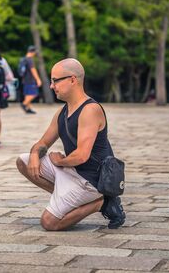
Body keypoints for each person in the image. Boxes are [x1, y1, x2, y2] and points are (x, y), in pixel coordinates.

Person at [16, 58, 125, 231]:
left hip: (90, 180)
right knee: (24, 161)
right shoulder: (62, 112)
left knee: (49, 223)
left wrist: (59, 162)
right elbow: (42, 143)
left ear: (72, 80)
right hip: (71, 169)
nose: (52, 86)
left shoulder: (90, 110)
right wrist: (36, 155)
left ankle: (101, 203)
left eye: (55, 81)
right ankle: (65, 198)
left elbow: (82, 155)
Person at [19, 46, 42, 114]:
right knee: (34, 93)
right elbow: (33, 70)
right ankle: (24, 104)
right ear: (33, 52)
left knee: (28, 94)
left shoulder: (24, 59)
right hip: (30, 80)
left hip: (25, 80)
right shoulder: (30, 59)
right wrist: (38, 79)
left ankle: (28, 109)